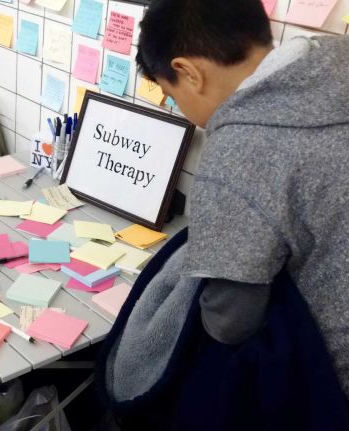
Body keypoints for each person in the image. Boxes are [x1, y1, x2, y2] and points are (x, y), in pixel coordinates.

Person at [136, 0, 349, 393]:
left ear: (187, 72)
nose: (179, 109)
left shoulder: (237, 151)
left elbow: (230, 322)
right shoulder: (337, 66)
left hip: (326, 381)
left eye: (171, 94)